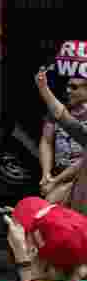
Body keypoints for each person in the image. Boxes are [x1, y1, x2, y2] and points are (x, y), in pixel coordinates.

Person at [37, 70, 87, 213]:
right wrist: (46, 175)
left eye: (74, 87)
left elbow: (83, 161)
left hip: (80, 179)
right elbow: (46, 140)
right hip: (58, 175)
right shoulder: (61, 112)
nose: (68, 90)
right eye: (68, 86)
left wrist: (55, 182)